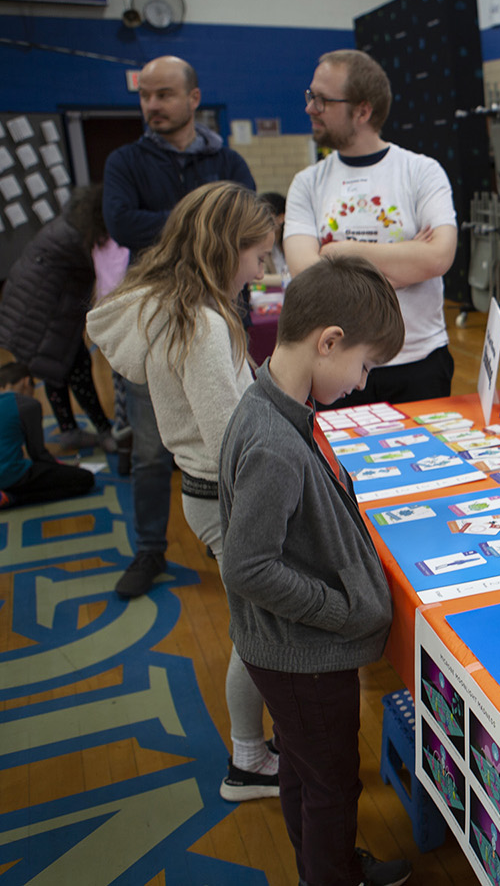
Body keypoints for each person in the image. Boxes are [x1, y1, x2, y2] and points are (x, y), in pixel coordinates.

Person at [218, 255, 411, 886]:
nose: (361, 382)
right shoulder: (274, 442)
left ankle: (320, 867)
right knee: (331, 782)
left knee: (303, 768)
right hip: (303, 652)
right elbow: (248, 565)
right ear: (328, 342)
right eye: (363, 365)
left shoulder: (276, 405)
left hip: (288, 650)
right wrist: (341, 610)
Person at [88, 181, 280, 803]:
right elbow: (231, 433)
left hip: (208, 491)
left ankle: (253, 751)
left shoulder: (185, 303)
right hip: (223, 493)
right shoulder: (201, 321)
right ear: (228, 250)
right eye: (258, 257)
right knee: (257, 631)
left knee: (254, 625)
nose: (262, 271)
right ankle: (247, 763)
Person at [101, 55, 256, 599]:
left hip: (222, 315)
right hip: (164, 323)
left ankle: (242, 539)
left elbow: (247, 219)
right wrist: (203, 219)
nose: (152, 106)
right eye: (145, 96)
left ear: (193, 98)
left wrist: (178, 220)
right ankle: (149, 551)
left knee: (229, 432)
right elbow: (121, 221)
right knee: (149, 449)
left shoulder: (227, 158)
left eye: (164, 95)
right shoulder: (126, 160)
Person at [284, 49, 457, 408]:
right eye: (310, 95)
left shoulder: (421, 171)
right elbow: (306, 274)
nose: (309, 108)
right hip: (336, 371)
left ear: (362, 111)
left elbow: (439, 256)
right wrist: (407, 265)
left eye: (322, 100)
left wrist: (337, 253)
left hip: (418, 363)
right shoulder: (307, 182)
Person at [0, 184, 120, 454]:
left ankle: (70, 429)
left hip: (37, 303)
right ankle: (104, 432)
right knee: (74, 367)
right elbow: (108, 268)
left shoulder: (72, 223)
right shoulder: (78, 235)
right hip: (43, 309)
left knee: (55, 367)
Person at [0, 363, 95, 512]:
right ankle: (9, 497)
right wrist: (64, 468)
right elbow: (38, 454)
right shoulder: (29, 405)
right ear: (26, 382)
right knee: (84, 479)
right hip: (10, 474)